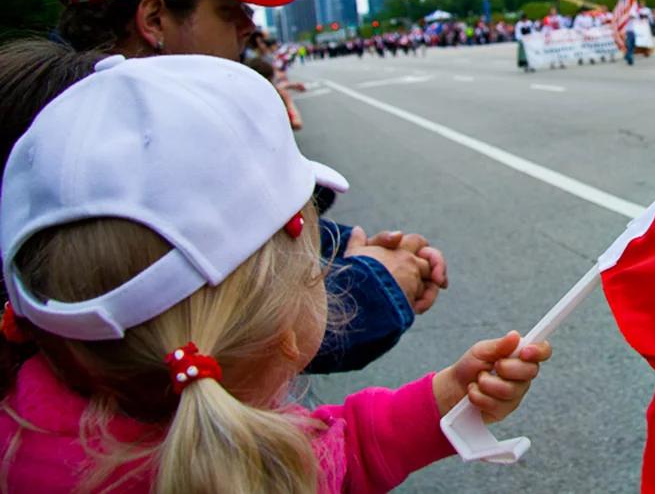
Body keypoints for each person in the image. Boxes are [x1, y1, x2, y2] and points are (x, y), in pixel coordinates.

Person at [0, 50, 551, 491]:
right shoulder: (266, 469)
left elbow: (346, 445)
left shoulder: (22, 435)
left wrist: (443, 400)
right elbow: (336, 459)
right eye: (315, 270)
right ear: (290, 335)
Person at [51, 0, 444, 374]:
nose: (250, 25)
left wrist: (339, 248)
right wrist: (375, 282)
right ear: (154, 20)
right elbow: (189, 346)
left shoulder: (102, 122)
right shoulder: (85, 160)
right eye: (229, 9)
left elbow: (226, 241)